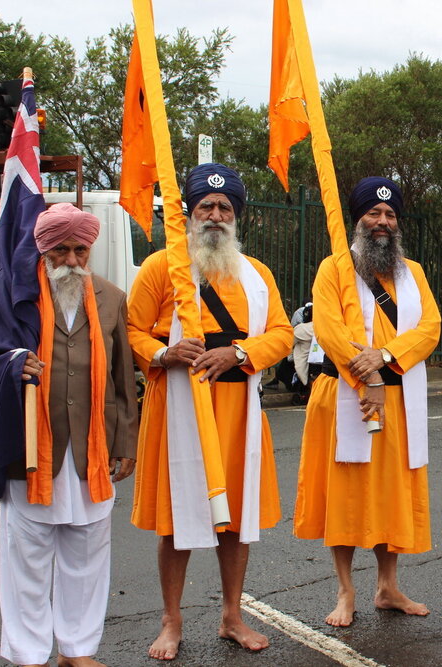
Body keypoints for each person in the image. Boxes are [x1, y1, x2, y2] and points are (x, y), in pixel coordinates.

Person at [126, 164, 292, 659]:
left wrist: (239, 354)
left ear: (236, 216)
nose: (216, 215)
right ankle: (171, 620)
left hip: (238, 409)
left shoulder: (258, 274)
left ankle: (231, 615)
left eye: (224, 207)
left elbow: (282, 334)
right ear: (191, 214)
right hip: (178, 410)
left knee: (237, 520)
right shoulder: (161, 266)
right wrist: (162, 354)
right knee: (176, 521)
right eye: (206, 207)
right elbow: (131, 330)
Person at [294, 177, 441, 627]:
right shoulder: (334, 268)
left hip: (397, 401)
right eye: (374, 213)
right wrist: (369, 373)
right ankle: (345, 591)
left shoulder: (412, 272)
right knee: (346, 496)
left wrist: (387, 356)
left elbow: (430, 327)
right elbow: (333, 332)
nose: (382, 221)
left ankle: (387, 587)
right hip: (345, 396)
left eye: (390, 214)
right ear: (358, 219)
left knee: (390, 497)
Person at [0, 204, 137, 667]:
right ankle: (29, 653)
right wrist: (15, 364)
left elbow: (123, 380)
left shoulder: (113, 298)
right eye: (62, 250)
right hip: (31, 448)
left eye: (81, 250)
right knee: (27, 558)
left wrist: (125, 443)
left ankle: (77, 650)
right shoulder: (14, 297)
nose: (73, 260)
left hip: (92, 450)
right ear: (43, 249)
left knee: (87, 553)